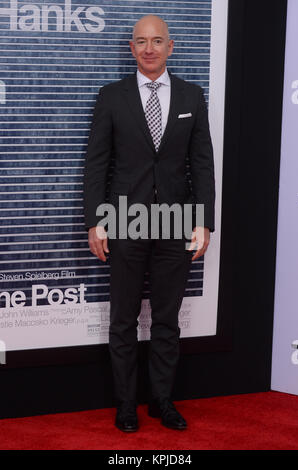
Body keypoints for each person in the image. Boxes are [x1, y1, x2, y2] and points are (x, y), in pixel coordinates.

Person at [83, 15, 215, 432]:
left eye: (157, 41)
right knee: (123, 318)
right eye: (141, 41)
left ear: (171, 47)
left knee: (166, 319)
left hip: (175, 221)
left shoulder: (193, 96)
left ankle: (162, 400)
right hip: (124, 220)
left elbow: (202, 165)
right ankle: (126, 404)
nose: (149, 48)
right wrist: (96, 221)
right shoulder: (111, 96)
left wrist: (203, 220)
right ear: (131, 48)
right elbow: (97, 165)